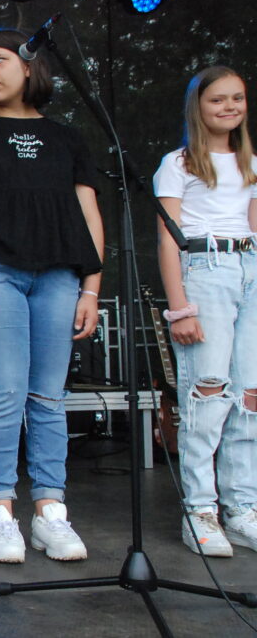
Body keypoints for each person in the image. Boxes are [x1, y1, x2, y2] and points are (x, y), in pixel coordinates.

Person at [0, 28, 104, 564]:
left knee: (49, 395)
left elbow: (89, 214)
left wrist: (92, 287)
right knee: (5, 391)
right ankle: (0, 514)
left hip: (57, 274)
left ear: (29, 66)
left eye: (0, 60)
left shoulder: (67, 138)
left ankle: (51, 511)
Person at [155, 65, 257, 556]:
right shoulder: (178, 163)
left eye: (237, 98)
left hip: (250, 267)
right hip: (204, 267)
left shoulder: (251, 161)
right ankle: (199, 510)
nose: (229, 107)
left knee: (250, 394)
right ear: (198, 106)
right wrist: (180, 308)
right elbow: (167, 240)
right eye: (218, 99)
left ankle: (242, 507)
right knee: (207, 389)